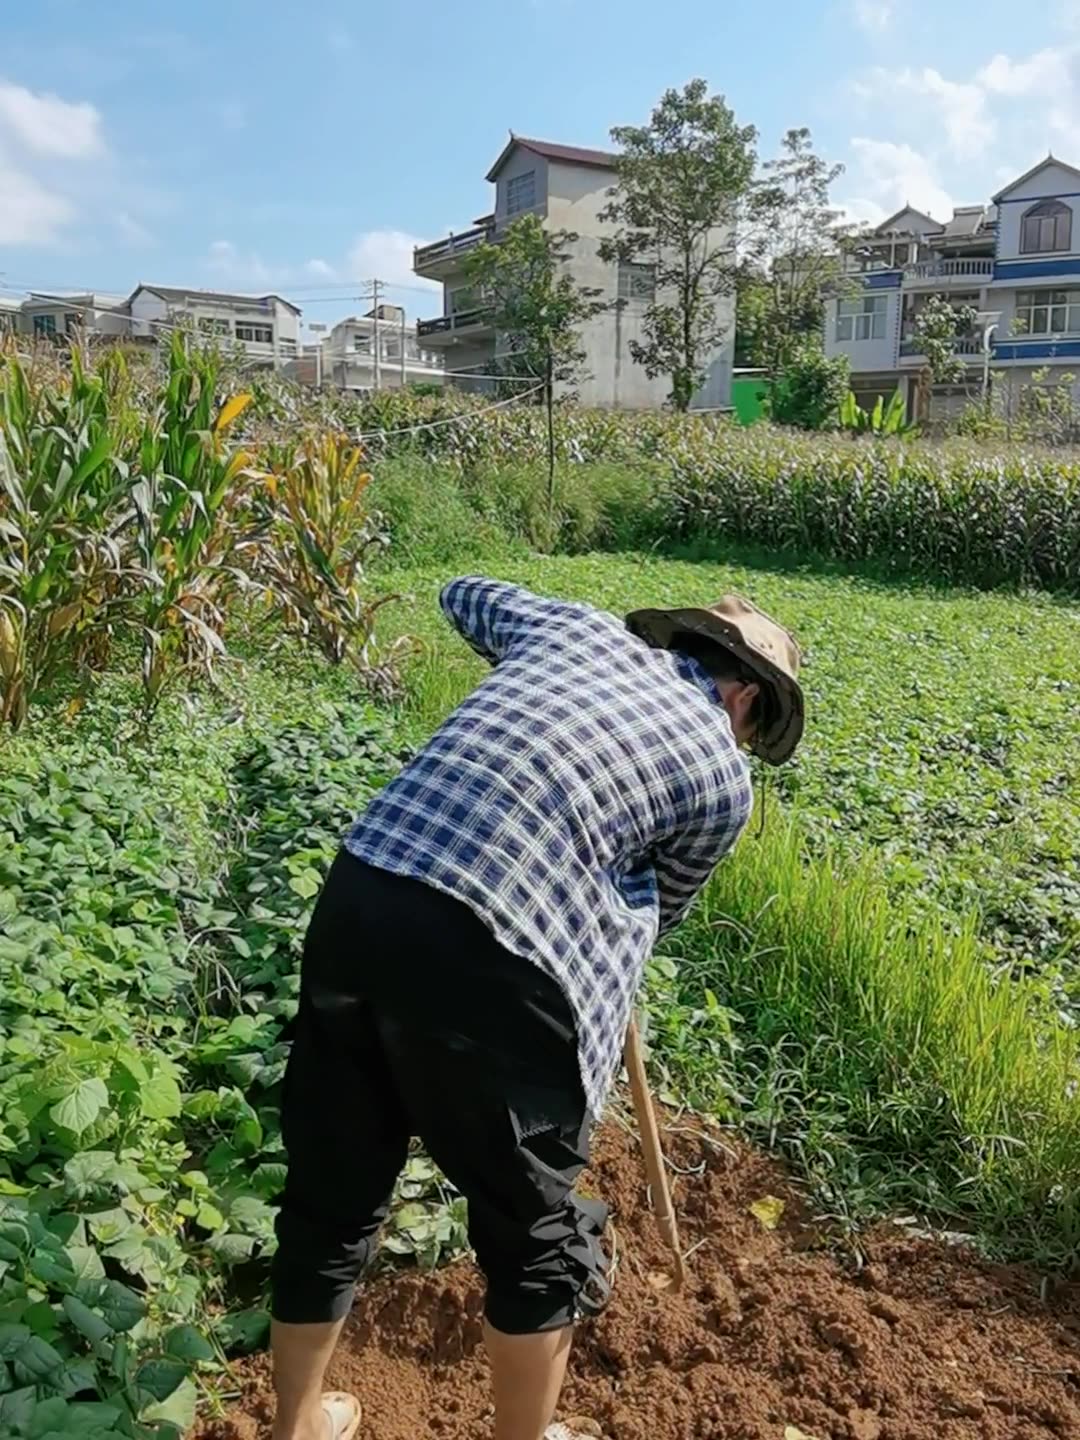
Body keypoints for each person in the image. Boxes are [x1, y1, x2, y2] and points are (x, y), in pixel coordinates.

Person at [268, 577, 804, 1440]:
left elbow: (463, 593)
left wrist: (556, 649)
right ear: (744, 696)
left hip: (363, 900)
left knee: (334, 1196)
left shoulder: (575, 629)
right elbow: (661, 908)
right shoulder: (722, 779)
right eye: (753, 725)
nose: (743, 739)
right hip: (501, 966)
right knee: (532, 1236)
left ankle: (294, 1425)